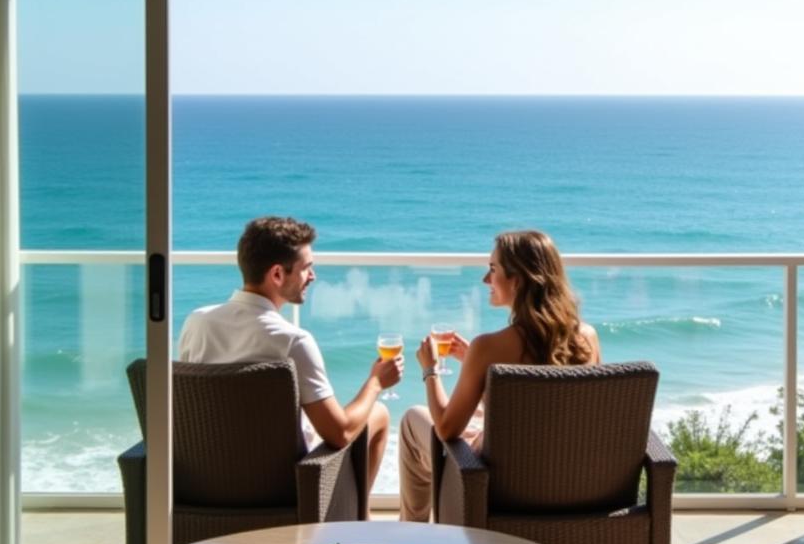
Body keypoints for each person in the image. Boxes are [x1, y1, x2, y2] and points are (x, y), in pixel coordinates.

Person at [179, 216, 399, 490]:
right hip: (281, 489)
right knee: (378, 413)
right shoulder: (293, 342)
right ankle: (355, 519)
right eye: (306, 268)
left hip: (206, 484)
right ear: (277, 275)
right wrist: (376, 382)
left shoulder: (196, 322)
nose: (313, 276)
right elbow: (340, 433)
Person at [398, 229, 601, 521]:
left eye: (493, 270)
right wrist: (475, 363)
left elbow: (446, 428)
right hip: (567, 481)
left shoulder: (489, 347)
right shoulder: (588, 338)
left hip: (495, 486)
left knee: (411, 421)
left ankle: (412, 535)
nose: (485, 279)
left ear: (516, 281)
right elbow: (554, 408)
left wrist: (430, 370)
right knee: (482, 420)